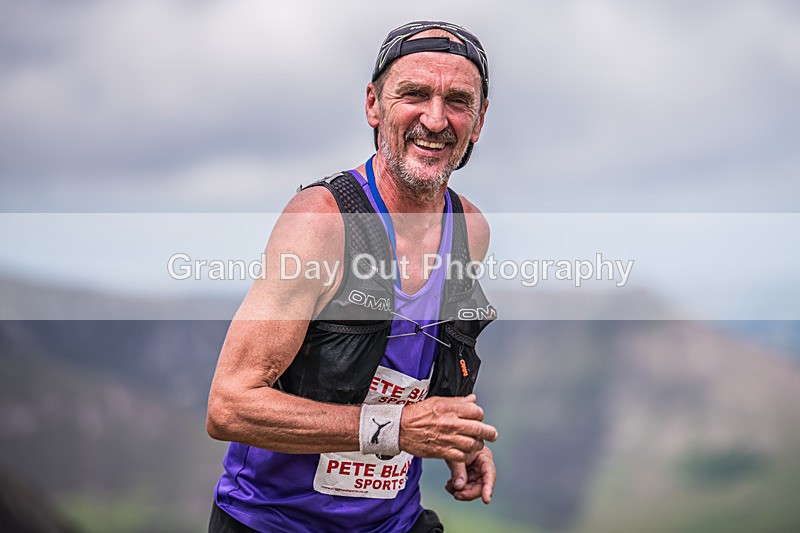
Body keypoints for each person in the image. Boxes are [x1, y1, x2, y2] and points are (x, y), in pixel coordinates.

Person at [206, 21, 498, 533]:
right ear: (373, 104)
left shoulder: (470, 230)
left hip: (396, 523)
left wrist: (456, 437)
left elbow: (415, 367)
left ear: (478, 121)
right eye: (414, 94)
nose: (435, 118)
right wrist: (399, 430)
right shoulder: (321, 223)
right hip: (273, 523)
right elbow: (229, 405)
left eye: (457, 100)